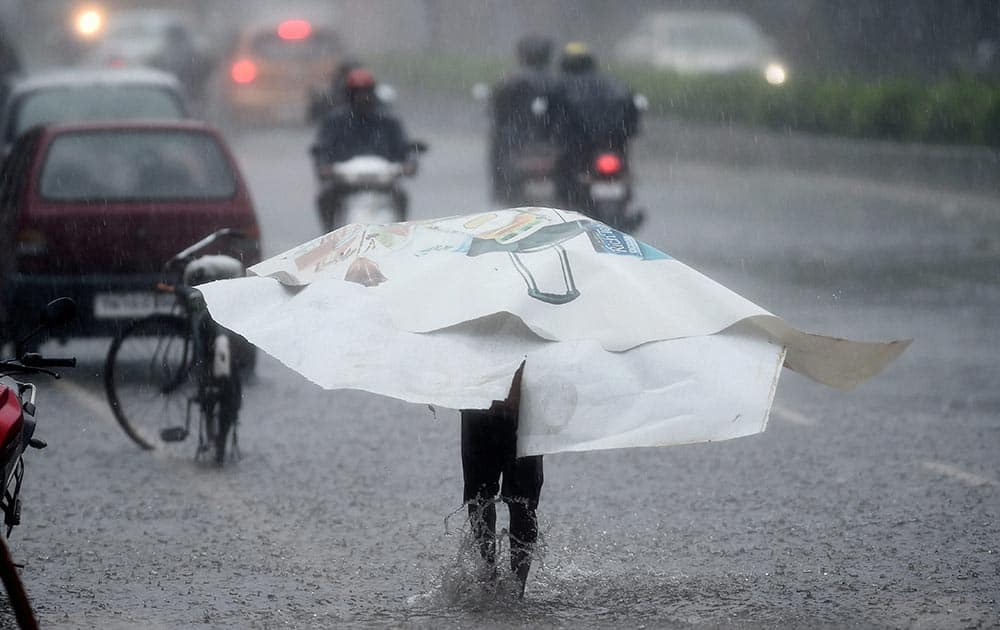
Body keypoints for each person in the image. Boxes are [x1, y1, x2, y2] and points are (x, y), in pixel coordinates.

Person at [461, 362, 543, 597]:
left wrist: (517, 386)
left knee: (522, 501)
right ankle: (489, 577)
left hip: (526, 397)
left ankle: (518, 589)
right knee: (478, 497)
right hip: (477, 391)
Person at [310, 68, 415, 220]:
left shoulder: (388, 121)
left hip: (382, 183)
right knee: (326, 198)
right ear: (349, 94)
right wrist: (324, 165)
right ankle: (330, 234)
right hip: (346, 183)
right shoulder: (335, 121)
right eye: (357, 92)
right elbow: (323, 147)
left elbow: (404, 146)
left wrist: (409, 163)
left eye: (366, 92)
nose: (363, 97)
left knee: (401, 196)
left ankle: (401, 230)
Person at [552, 41, 640, 207]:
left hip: (580, 147)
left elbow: (550, 116)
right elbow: (632, 113)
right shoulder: (612, 83)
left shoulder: (560, 86)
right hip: (612, 143)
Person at [488, 35, 559, 204]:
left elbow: (496, 112)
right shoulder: (558, 81)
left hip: (517, 143)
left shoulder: (509, 81)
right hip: (550, 142)